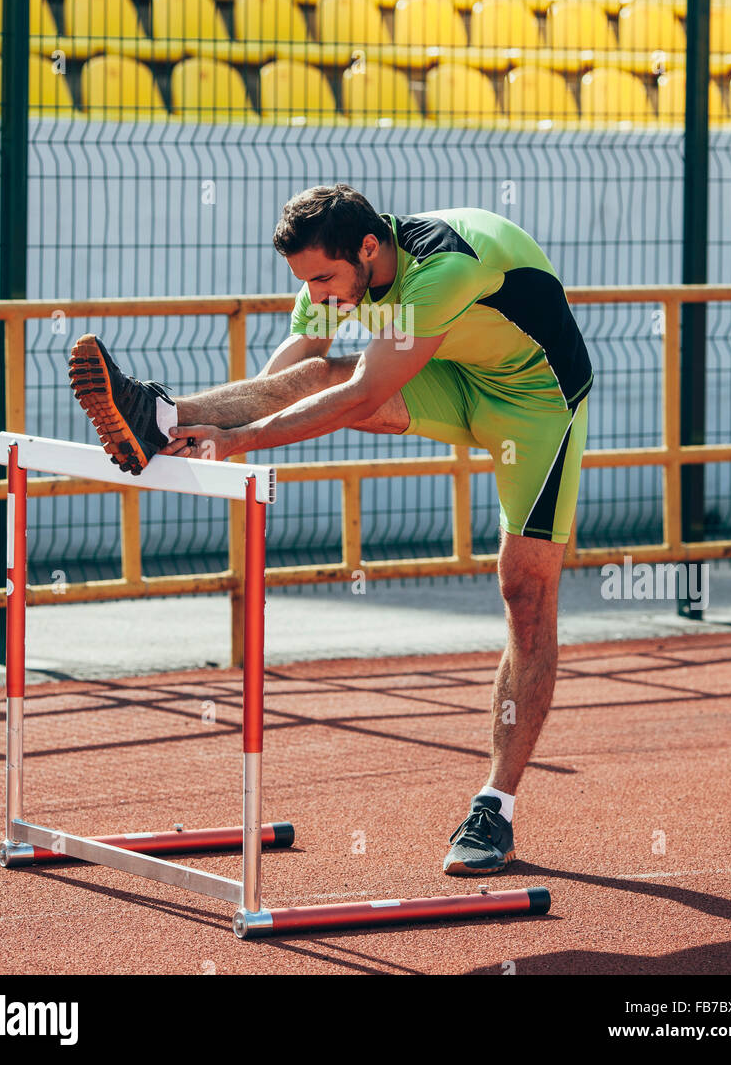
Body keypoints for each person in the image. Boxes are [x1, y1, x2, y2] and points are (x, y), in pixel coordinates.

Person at [69, 183, 593, 877]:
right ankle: (157, 414)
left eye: (323, 279)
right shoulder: (333, 275)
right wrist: (209, 425)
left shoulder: (444, 269)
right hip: (450, 370)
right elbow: (298, 368)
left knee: (524, 593)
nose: (315, 294)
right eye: (304, 282)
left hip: (535, 401)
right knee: (321, 370)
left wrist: (238, 440)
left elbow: (359, 396)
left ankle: (495, 807)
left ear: (368, 250)